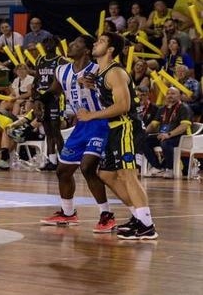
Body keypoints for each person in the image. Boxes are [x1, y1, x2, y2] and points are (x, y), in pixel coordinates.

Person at [78, 32, 158, 240]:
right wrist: (93, 86)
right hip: (114, 129)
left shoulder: (115, 72)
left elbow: (123, 105)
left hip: (125, 127)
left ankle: (147, 225)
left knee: (127, 174)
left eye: (102, 41)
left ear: (111, 49)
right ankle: (137, 216)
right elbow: (109, 94)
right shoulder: (103, 73)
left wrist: (91, 116)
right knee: (105, 174)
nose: (96, 43)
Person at [38, 36, 116, 233]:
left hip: (100, 122)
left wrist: (96, 84)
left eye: (76, 43)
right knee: (62, 171)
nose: (70, 44)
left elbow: (114, 92)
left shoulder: (99, 69)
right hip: (81, 125)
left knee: (88, 167)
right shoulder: (61, 69)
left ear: (87, 50)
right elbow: (53, 91)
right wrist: (40, 101)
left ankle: (106, 214)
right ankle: (68, 213)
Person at [33, 36, 68, 171]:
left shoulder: (61, 61)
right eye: (46, 42)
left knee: (55, 130)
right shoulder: (40, 60)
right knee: (47, 131)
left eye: (51, 42)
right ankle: (51, 161)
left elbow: (61, 83)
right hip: (42, 98)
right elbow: (36, 80)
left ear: (57, 45)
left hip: (55, 98)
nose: (48, 45)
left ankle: (64, 161)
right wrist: (35, 98)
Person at [143, 87, 194, 178]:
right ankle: (157, 167)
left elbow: (183, 127)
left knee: (165, 143)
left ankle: (170, 168)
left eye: (173, 93)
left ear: (179, 96)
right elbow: (153, 125)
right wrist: (143, 132)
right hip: (164, 135)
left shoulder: (184, 108)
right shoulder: (162, 109)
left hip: (182, 137)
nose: (170, 95)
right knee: (144, 141)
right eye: (168, 93)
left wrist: (168, 135)